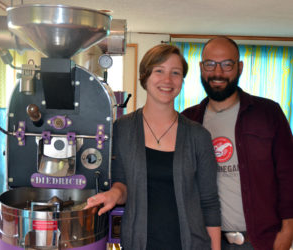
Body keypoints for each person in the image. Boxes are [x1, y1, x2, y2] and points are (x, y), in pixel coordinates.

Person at [85, 44, 221, 250]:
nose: (167, 80)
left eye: (175, 73)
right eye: (159, 71)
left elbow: (209, 202)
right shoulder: (122, 129)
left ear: (182, 81)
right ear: (145, 76)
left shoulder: (198, 136)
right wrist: (113, 194)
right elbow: (122, 184)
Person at [182, 36, 293, 250]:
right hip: (205, 241)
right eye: (210, 64)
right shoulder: (187, 121)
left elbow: (289, 174)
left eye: (227, 64)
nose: (217, 73)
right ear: (201, 67)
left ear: (239, 67)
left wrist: (288, 231)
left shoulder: (268, 113)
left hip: (260, 242)